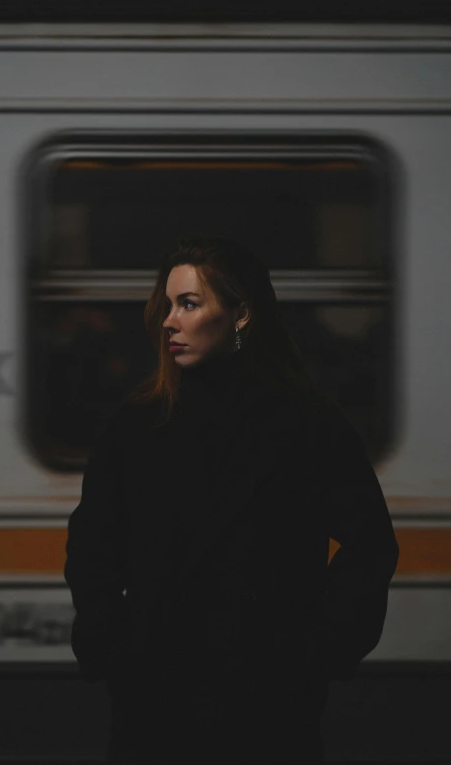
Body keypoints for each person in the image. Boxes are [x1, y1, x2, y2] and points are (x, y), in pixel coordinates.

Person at [64, 236, 399, 764]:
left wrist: (320, 649)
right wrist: (110, 640)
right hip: (155, 687)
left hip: (268, 689)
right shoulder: (138, 423)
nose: (169, 321)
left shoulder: (307, 425)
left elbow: (370, 545)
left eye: (189, 304)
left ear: (241, 314)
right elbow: (93, 543)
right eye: (167, 305)